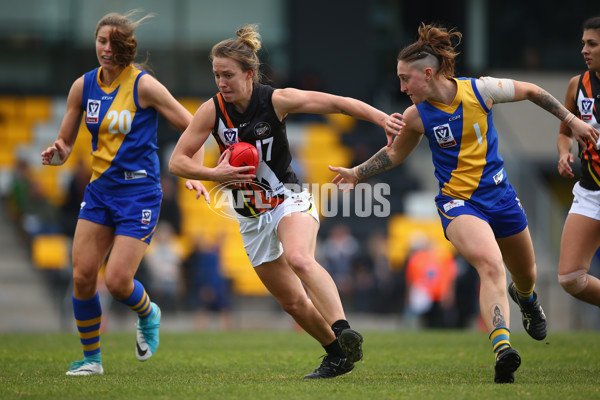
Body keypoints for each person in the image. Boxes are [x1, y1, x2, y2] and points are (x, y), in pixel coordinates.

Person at [329, 23, 600, 384]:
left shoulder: (481, 90)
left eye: (405, 79)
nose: (401, 88)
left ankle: (527, 299)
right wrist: (357, 173)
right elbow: (394, 155)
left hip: (501, 197)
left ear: (428, 73)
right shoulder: (416, 116)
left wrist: (570, 121)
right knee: (490, 265)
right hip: (458, 203)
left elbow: (533, 90)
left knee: (526, 274)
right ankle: (503, 349)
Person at [169, 24, 391, 379]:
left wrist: (380, 117)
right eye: (216, 75)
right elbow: (178, 161)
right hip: (249, 215)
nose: (221, 83)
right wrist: (216, 175)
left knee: (300, 258)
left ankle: (343, 328)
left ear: (250, 73)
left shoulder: (275, 100)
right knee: (291, 302)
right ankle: (337, 356)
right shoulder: (211, 111)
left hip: (288, 197)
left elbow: (335, 103)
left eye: (228, 75)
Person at [40, 11, 208, 376]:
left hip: (139, 193)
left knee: (117, 282)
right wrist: (59, 153)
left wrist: (195, 171)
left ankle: (149, 313)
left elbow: (194, 126)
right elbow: (66, 143)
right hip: (100, 192)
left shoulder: (144, 85)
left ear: (125, 47)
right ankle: (91, 360)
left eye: (113, 43)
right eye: (101, 41)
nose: (105, 48)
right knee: (83, 276)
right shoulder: (82, 87)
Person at [557, 16, 600, 310]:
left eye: (592, 44)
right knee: (570, 278)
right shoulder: (577, 85)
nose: (584, 50)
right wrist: (563, 152)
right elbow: (564, 131)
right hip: (590, 190)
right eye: (583, 43)